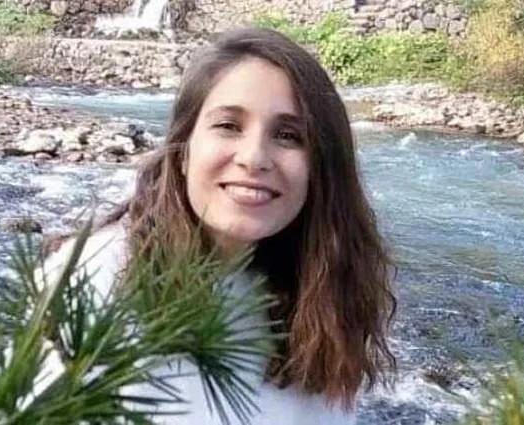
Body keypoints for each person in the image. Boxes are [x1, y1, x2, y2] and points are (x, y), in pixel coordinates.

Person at [45, 27, 396, 424]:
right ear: (182, 151)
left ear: (321, 167)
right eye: (229, 125)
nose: (254, 158)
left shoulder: (326, 298)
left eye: (288, 135)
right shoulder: (100, 274)